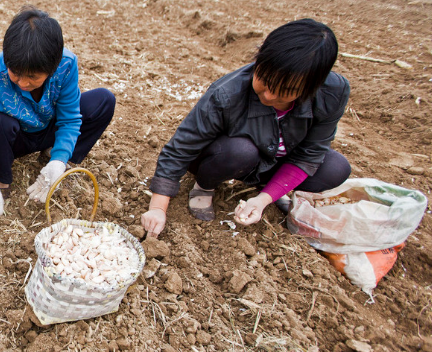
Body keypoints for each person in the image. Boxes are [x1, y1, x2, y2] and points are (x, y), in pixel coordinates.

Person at [141, 18, 351, 238]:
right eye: (264, 79)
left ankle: (270, 188)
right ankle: (204, 186)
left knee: (336, 168)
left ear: (312, 87)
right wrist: (157, 208)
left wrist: (263, 200)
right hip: (227, 157)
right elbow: (180, 149)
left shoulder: (332, 93)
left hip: (274, 161)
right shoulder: (227, 93)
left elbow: (309, 155)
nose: (269, 95)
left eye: (285, 91)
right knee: (241, 151)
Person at [0, 7, 116, 217]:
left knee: (103, 101)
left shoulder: (66, 65)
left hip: (46, 127)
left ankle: (55, 159)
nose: (23, 83)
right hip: (13, 140)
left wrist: (60, 158)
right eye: (16, 73)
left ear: (52, 68)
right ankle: (1, 180)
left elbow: (69, 119)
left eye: (33, 76)